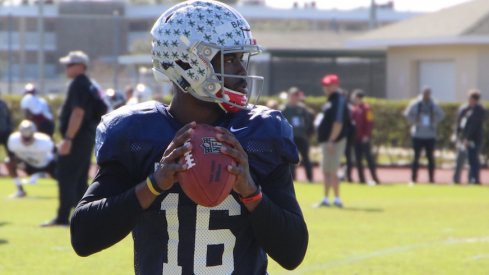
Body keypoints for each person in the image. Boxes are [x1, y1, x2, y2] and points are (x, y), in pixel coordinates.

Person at [70, 1, 308, 274]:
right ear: (189, 64)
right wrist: (153, 185)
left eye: (240, 59)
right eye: (230, 59)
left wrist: (251, 192)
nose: (242, 71)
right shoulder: (136, 135)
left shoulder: (259, 134)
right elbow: (83, 237)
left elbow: (293, 253)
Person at [41, 50, 100, 227]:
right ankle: (87, 216)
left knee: (66, 175)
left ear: (81, 67)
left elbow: (78, 112)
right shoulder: (88, 84)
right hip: (86, 137)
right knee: (80, 179)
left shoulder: (78, 84)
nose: (66, 68)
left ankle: (62, 217)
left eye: (70, 65)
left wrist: (68, 138)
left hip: (77, 138)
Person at [315, 74, 350, 207]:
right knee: (326, 170)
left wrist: (331, 140)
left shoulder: (338, 100)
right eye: (325, 85)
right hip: (329, 140)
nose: (326, 87)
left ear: (336, 85)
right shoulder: (332, 99)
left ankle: (335, 199)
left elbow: (338, 123)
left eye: (329, 85)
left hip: (333, 141)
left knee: (332, 171)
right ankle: (326, 198)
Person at [403, 87, 444, 184]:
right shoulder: (416, 104)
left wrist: (433, 121)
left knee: (430, 158)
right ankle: (413, 179)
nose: (426, 95)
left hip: (430, 135)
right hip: (418, 134)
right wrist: (415, 120)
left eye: (428, 93)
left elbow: (441, 114)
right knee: (416, 157)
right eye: (425, 93)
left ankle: (431, 179)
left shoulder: (433, 104)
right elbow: (407, 114)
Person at [6, 120, 56, 198]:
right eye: (24, 137)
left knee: (64, 175)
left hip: (47, 165)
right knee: (9, 162)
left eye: (28, 137)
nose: (26, 139)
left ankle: (68, 193)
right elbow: (12, 156)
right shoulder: (14, 140)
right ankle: (20, 190)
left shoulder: (44, 141)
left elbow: (57, 153)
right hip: (28, 165)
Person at [452, 90, 486, 184]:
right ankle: (456, 179)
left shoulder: (479, 110)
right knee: (459, 159)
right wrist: (457, 136)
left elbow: (474, 125)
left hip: (474, 139)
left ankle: (473, 179)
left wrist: (467, 138)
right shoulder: (464, 109)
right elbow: (459, 123)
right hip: (462, 139)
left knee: (473, 159)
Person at [282, 87, 314, 182]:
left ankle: (310, 178)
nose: (294, 98)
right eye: (293, 95)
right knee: (291, 159)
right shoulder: (284, 109)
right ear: (289, 96)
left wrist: (306, 133)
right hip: (290, 137)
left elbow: (308, 122)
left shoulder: (303, 109)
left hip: (301, 137)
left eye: (296, 96)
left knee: (306, 157)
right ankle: (292, 178)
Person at [351, 89, 380, 185]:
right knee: (358, 159)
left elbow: (370, 122)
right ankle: (361, 179)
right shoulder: (354, 109)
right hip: (356, 138)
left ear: (359, 98)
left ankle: (375, 178)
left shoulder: (367, 108)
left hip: (364, 138)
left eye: (354, 97)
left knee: (369, 159)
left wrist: (367, 135)